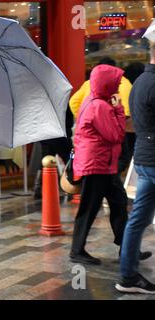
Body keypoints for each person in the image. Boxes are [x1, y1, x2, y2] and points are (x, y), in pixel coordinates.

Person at [69, 64, 127, 265]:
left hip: (102, 164)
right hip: (97, 165)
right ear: (107, 83)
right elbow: (116, 135)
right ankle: (77, 250)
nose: (119, 85)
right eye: (117, 82)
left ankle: (127, 248)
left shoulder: (92, 101)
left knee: (119, 202)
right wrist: (119, 108)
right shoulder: (100, 106)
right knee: (90, 208)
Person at [116, 44, 155, 294]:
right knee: (138, 218)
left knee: (138, 219)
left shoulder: (140, 81)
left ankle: (128, 276)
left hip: (143, 157)